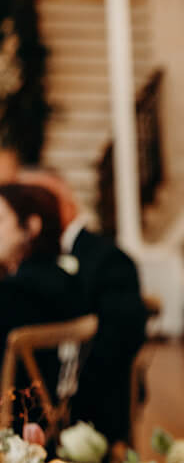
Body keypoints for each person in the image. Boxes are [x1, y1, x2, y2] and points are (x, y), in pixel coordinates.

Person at [16, 168, 146, 449]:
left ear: (60, 204)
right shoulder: (25, 263)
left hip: (87, 401)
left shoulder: (107, 258)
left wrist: (63, 404)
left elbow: (118, 340)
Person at [0, 182, 89, 429]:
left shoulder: (17, 292)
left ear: (31, 227)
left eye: (0, 220)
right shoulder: (64, 281)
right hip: (54, 419)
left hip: (16, 423)